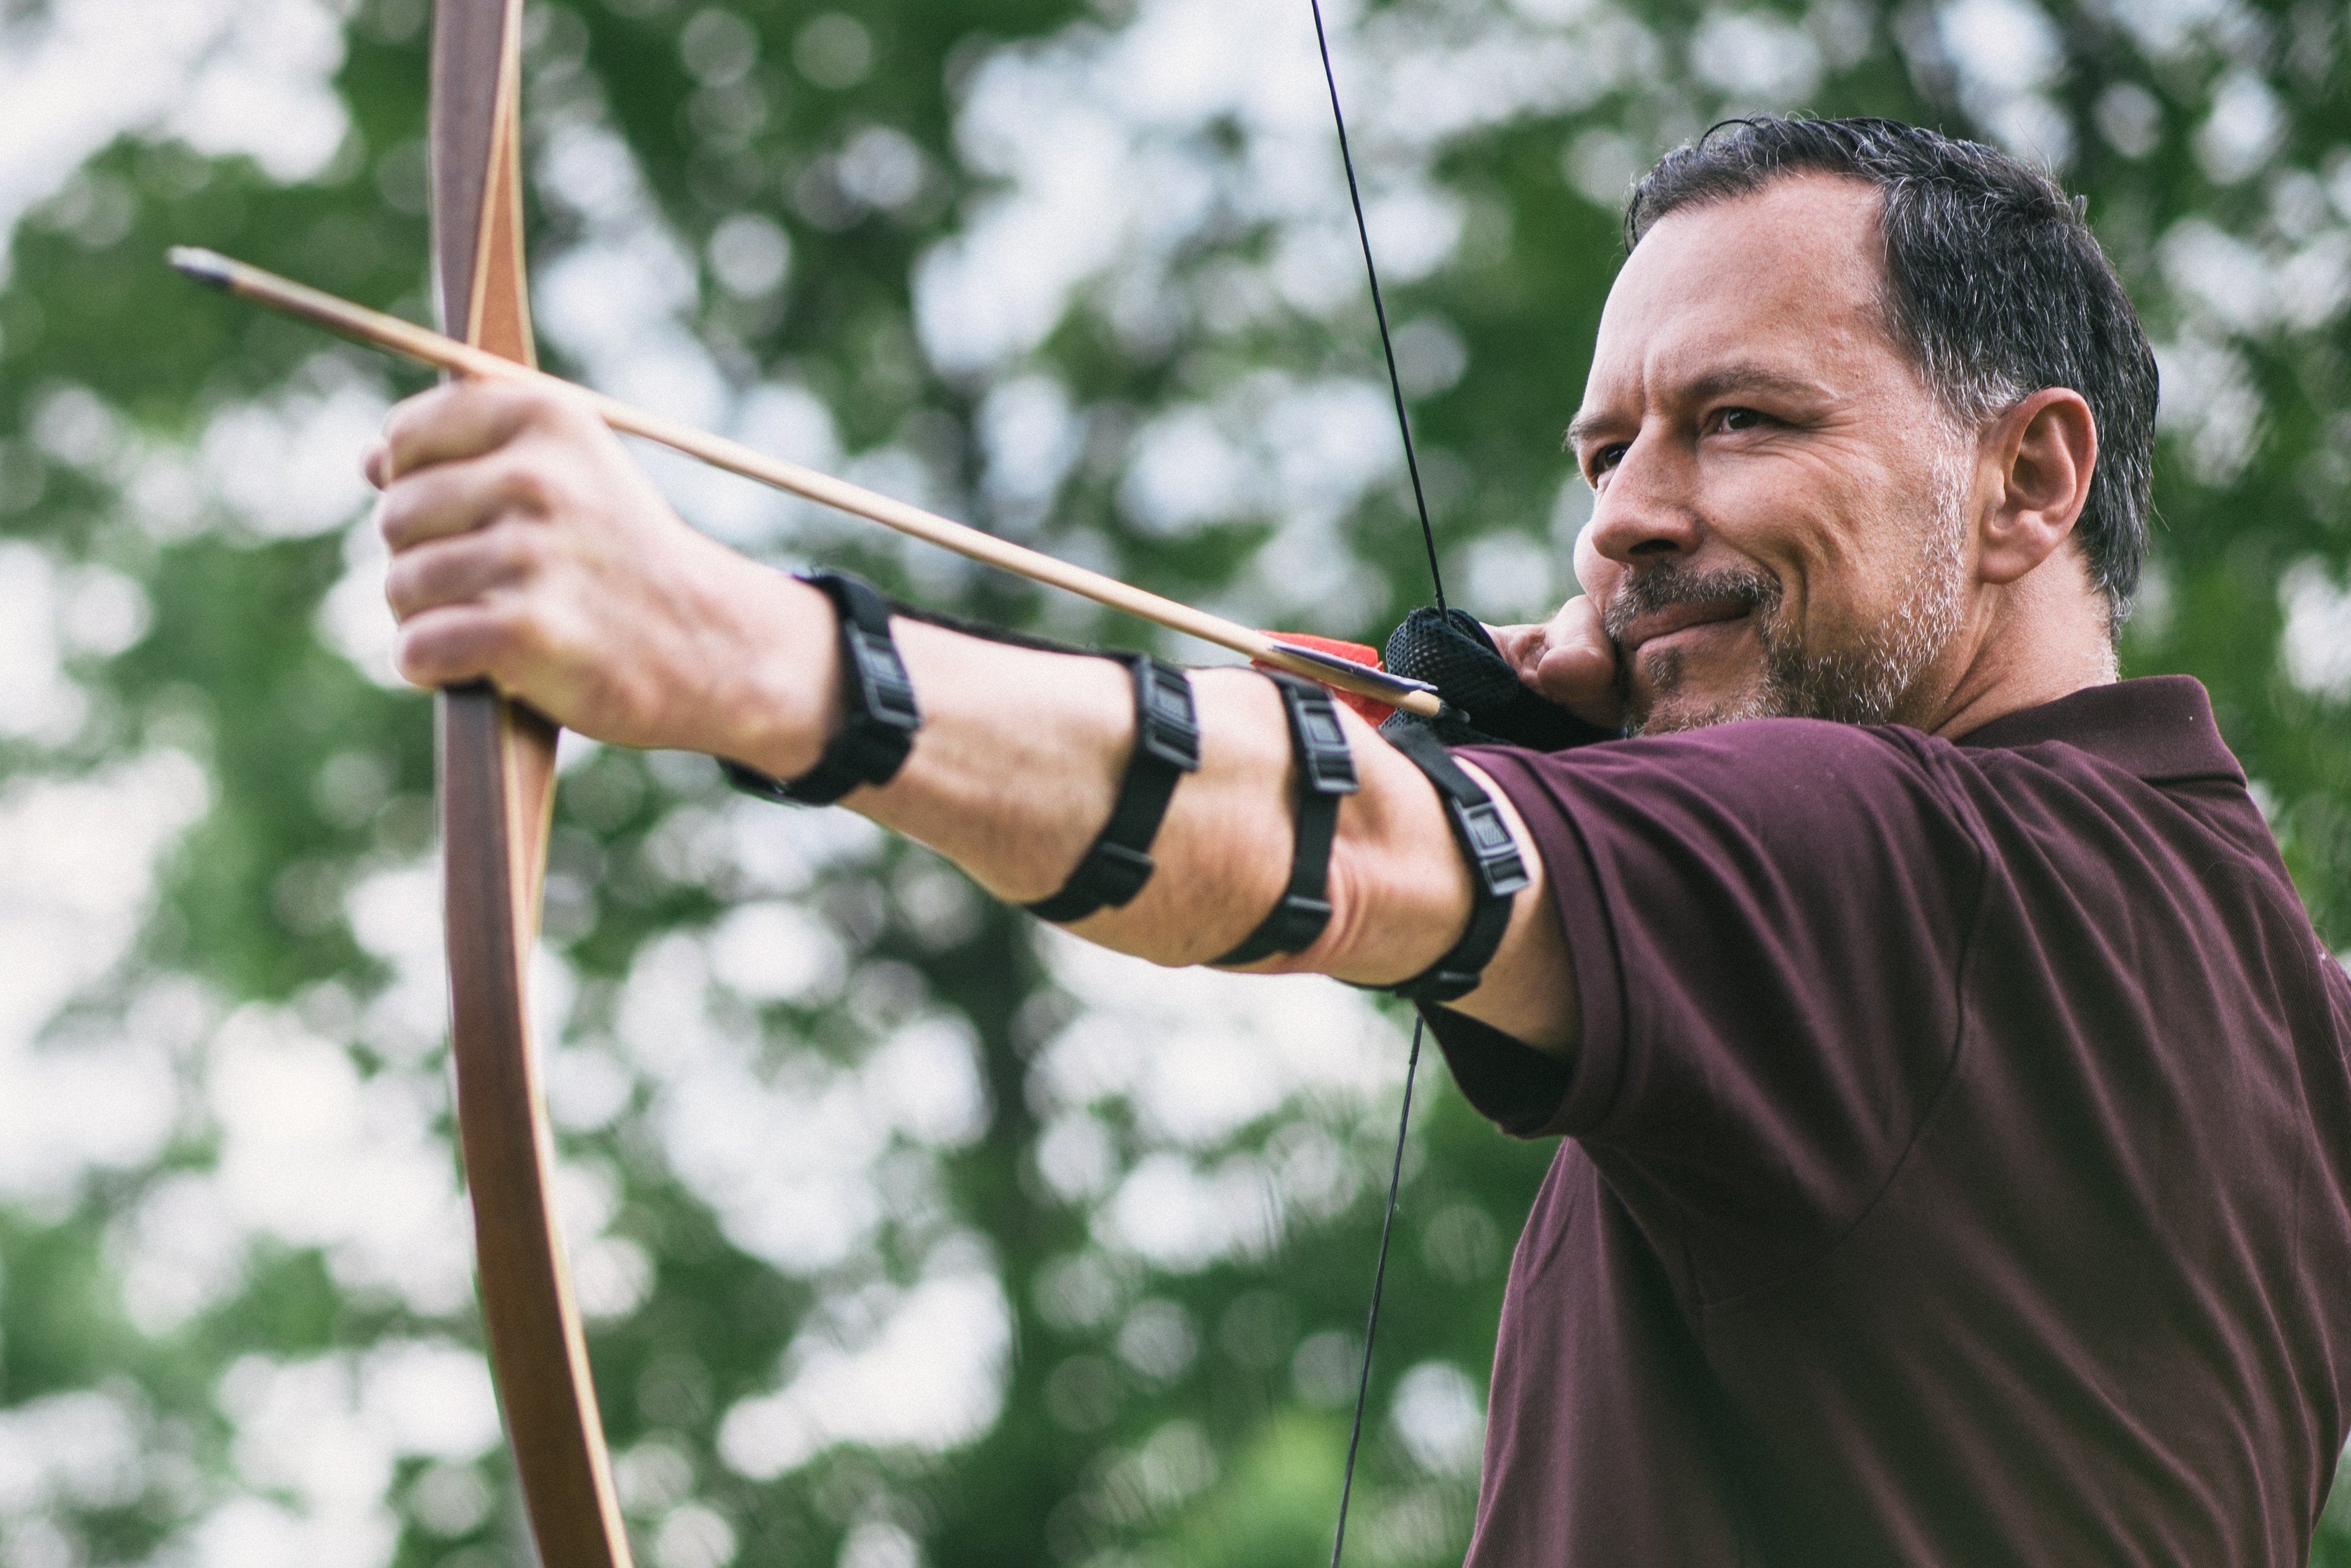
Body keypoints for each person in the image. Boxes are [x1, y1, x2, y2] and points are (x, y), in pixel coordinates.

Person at [363, 115, 2351, 1563]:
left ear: (2028, 477)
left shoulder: (1890, 859)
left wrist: (726, 645)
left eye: (1741, 420)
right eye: (1605, 451)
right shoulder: (2285, 1013)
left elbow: (1355, 849)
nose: (1623, 518)